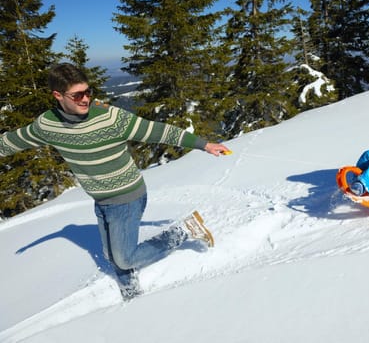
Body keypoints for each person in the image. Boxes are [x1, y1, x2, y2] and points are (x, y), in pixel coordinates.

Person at [0, 63, 230, 298]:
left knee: (124, 257)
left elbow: (159, 131)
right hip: (101, 199)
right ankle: (129, 281)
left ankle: (181, 232)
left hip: (127, 196)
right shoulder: (47, 125)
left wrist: (204, 144)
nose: (85, 99)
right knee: (111, 255)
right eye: (77, 95)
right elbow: (13, 141)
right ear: (57, 95)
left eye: (88, 92)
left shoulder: (111, 118)